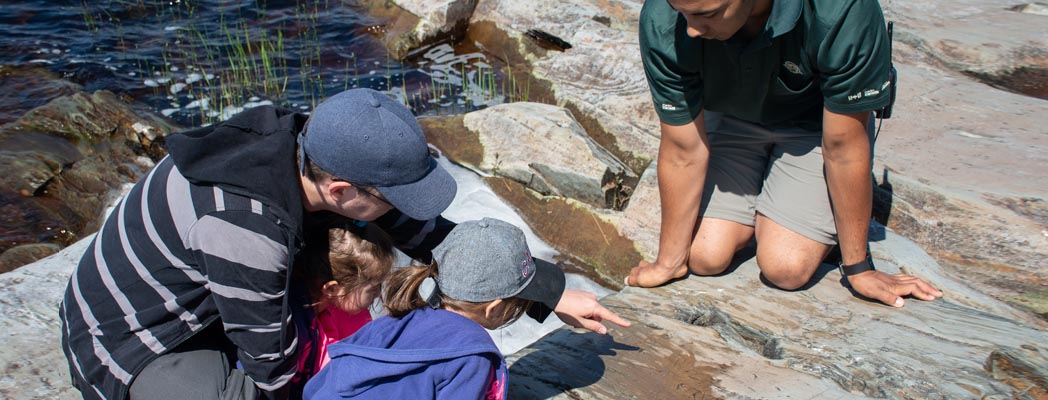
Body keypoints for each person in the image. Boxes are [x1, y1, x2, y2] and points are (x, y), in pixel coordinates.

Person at [59, 88, 629, 400]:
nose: (404, 211)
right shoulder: (246, 227)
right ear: (340, 189)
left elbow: (431, 235)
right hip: (137, 344)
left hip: (212, 300)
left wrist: (545, 291)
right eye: (393, 196)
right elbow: (272, 368)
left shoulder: (304, 142)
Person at [628, 0, 944, 307]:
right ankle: (765, 207)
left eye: (707, 14)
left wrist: (858, 268)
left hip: (816, 127)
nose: (692, 30)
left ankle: (784, 213)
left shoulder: (842, 9)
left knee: (785, 268)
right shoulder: (664, 18)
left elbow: (844, 149)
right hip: (729, 116)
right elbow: (684, 149)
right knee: (704, 256)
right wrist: (668, 263)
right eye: (682, 12)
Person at [303, 218, 555, 400]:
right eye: (519, 302)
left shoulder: (390, 323)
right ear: (493, 308)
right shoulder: (472, 356)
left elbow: (320, 385)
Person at [278, 215, 395, 398]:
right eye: (373, 288)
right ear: (333, 288)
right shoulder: (294, 332)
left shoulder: (346, 308)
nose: (379, 294)